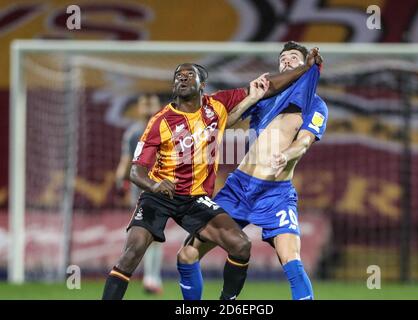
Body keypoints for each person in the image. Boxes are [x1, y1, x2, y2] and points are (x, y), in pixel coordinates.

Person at [102, 50, 320, 300]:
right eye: (177, 76)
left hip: (196, 199)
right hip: (159, 195)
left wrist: (306, 69)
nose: (181, 78)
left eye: (188, 74)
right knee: (134, 252)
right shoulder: (160, 122)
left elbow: (267, 87)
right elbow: (135, 171)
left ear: (201, 84)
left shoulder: (217, 104)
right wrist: (153, 185)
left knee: (241, 245)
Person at [176, 41, 327, 300]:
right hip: (239, 189)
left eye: (293, 57)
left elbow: (303, 142)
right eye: (283, 58)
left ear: (306, 66)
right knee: (187, 254)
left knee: (292, 261)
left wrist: (287, 155)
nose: (287, 61)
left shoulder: (315, 104)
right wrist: (252, 99)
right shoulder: (266, 95)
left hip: (275, 194)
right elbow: (225, 122)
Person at [115, 93, 164, 294]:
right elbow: (125, 162)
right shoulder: (133, 133)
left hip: (163, 188)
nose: (147, 107)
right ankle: (151, 278)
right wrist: (121, 183)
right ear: (138, 108)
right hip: (142, 191)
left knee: (154, 235)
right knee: (148, 235)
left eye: (150, 103)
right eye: (144, 103)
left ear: (158, 105)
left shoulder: (166, 129)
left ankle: (151, 277)